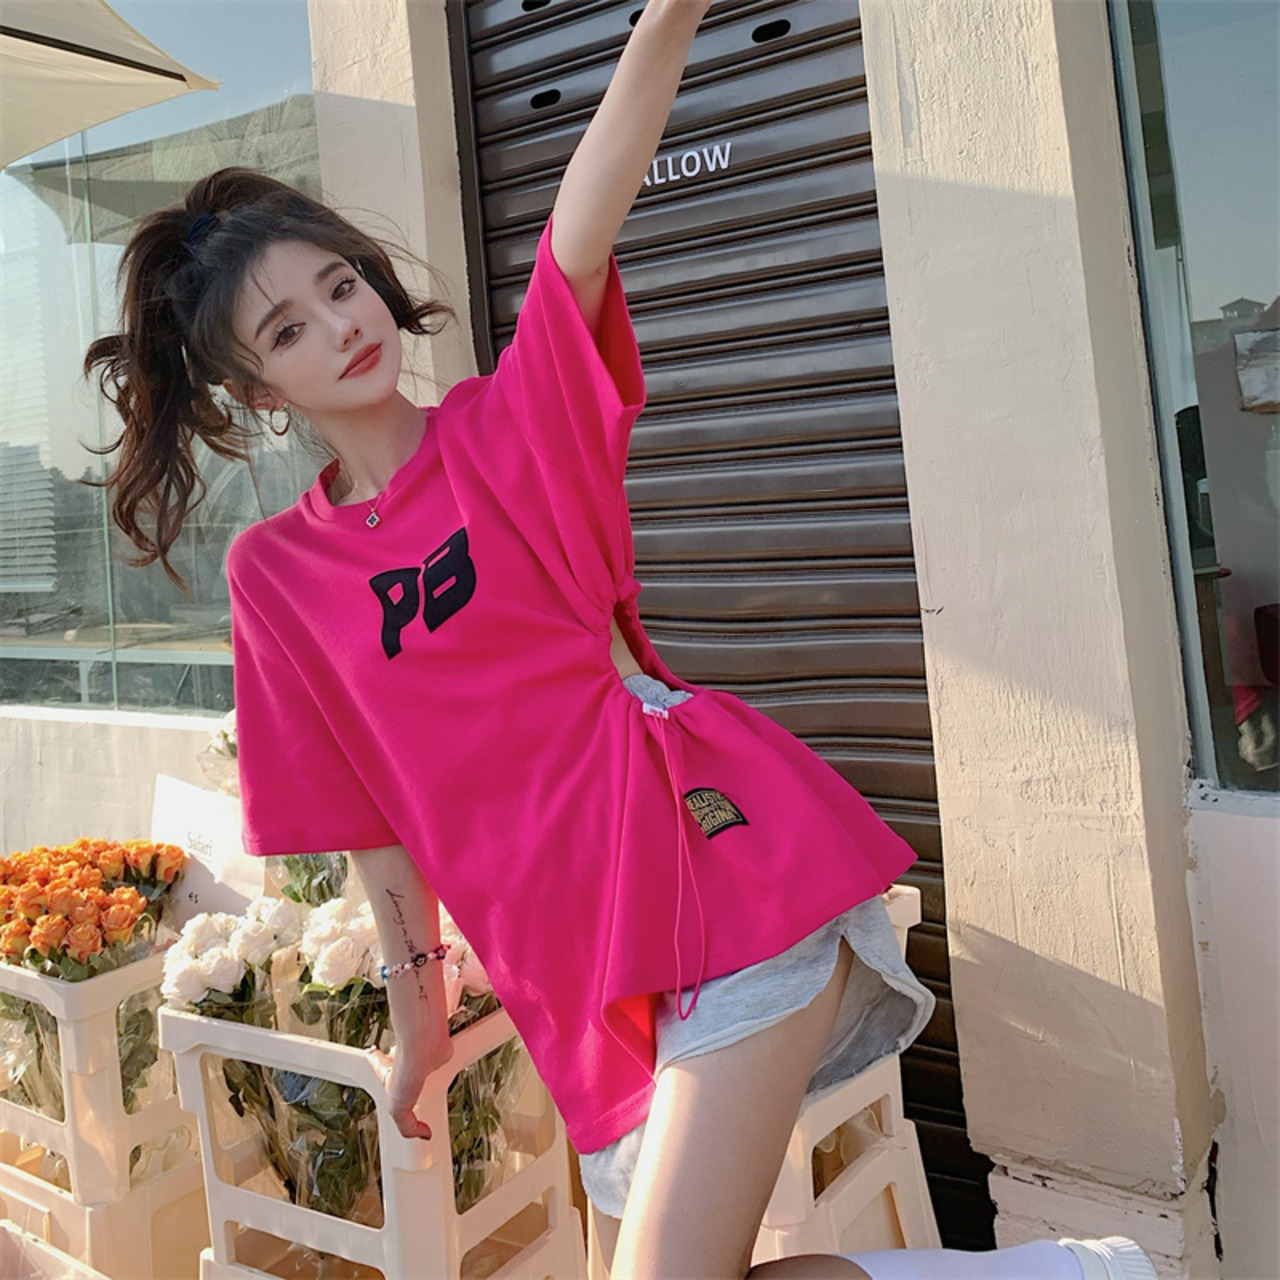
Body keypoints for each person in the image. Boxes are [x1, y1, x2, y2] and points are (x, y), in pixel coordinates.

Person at [82, 3, 1159, 1278]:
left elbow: (577, 235)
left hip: (710, 872)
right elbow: (376, 819)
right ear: (259, 392)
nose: (341, 323)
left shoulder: (507, 426)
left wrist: (668, 16)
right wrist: (419, 1021)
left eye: (340, 284)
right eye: (288, 329)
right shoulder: (277, 575)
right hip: (574, 978)